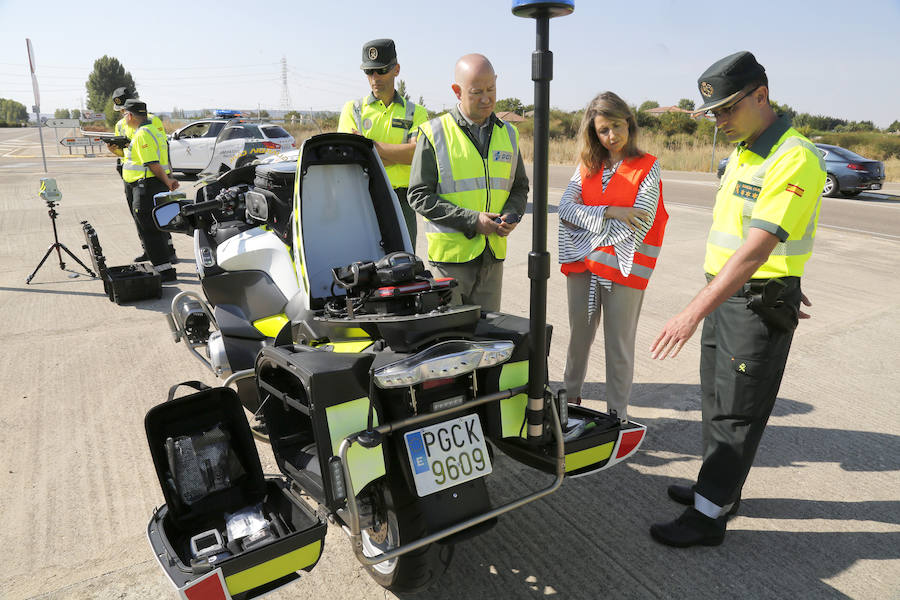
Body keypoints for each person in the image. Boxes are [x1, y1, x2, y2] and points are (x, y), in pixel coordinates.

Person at [648, 51, 826, 547]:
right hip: (735, 295)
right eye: (715, 113)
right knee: (715, 399)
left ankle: (708, 520)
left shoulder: (794, 156)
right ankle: (718, 492)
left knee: (737, 411)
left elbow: (756, 248)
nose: (720, 121)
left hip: (751, 303)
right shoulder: (746, 150)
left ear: (761, 95)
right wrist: (783, 275)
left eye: (728, 109)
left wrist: (689, 313)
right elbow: (758, 236)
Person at [557, 92, 667, 420]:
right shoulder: (587, 166)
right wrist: (611, 212)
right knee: (578, 338)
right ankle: (567, 406)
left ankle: (617, 415)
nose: (611, 136)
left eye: (617, 127)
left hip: (624, 268)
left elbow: (642, 219)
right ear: (594, 132)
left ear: (629, 124)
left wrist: (589, 227)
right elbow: (564, 208)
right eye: (603, 130)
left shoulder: (648, 166)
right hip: (583, 269)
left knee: (618, 346)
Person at [408, 54, 529, 312]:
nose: (486, 99)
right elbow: (418, 195)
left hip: (492, 257)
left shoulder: (508, 133)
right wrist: (472, 220)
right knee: (450, 340)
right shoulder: (434, 133)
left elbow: (519, 186)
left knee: (489, 340)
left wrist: (512, 213)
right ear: (457, 91)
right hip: (450, 262)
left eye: (491, 89)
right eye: (476, 92)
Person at [338, 39, 428, 246]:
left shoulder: (416, 112)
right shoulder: (352, 110)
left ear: (396, 69)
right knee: (364, 266)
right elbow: (352, 158)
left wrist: (368, 146)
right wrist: (398, 155)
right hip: (362, 198)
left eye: (381, 70)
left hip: (402, 202)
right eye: (369, 72)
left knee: (404, 264)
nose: (374, 78)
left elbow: (416, 155)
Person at [108, 87, 175, 262]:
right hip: (132, 178)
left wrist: (168, 177)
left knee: (157, 218)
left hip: (150, 178)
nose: (122, 114)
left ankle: (168, 252)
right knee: (142, 220)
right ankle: (150, 251)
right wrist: (116, 151)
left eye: (124, 110)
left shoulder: (152, 122)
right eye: (121, 110)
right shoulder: (120, 125)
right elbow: (126, 154)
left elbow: (160, 151)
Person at [119, 99, 180, 282]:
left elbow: (152, 163)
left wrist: (167, 181)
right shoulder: (154, 130)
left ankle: (164, 272)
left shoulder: (143, 134)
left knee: (149, 229)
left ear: (130, 115)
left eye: (124, 115)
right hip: (151, 185)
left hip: (146, 186)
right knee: (155, 227)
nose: (124, 118)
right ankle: (165, 268)